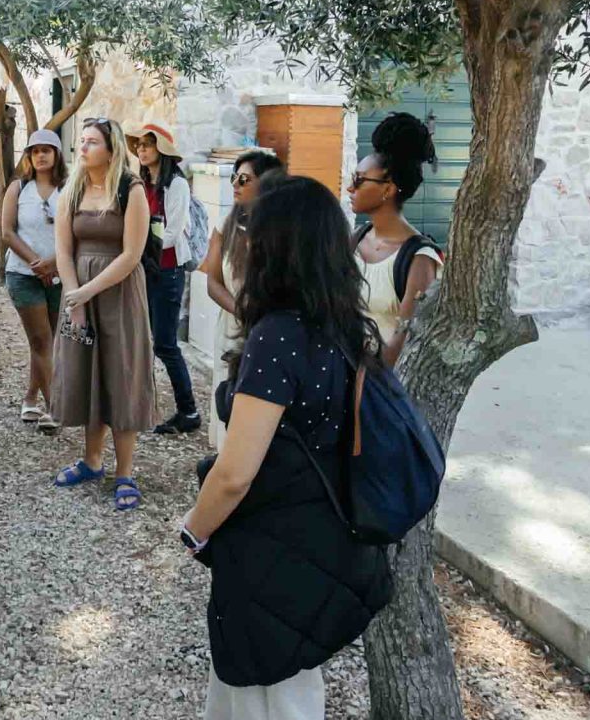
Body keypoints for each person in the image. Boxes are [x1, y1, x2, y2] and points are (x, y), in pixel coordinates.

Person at [179, 175, 395, 717]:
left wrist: (192, 530)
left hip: (273, 537)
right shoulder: (342, 325)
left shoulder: (277, 335)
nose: (244, 242)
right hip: (323, 531)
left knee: (258, 687)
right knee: (292, 686)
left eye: (253, 231)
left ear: (279, 246)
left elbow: (235, 473)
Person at [49, 117, 157, 512]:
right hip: (78, 296)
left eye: (92, 142)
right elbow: (63, 251)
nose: (83, 148)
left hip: (120, 295)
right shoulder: (72, 189)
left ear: (111, 151)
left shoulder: (132, 190)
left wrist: (87, 292)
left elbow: (132, 255)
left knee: (121, 373)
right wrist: (74, 300)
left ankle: (124, 471)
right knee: (84, 369)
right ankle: (92, 461)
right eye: (82, 141)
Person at [349, 112, 443, 367]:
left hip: (377, 387)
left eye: (358, 180)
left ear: (388, 189)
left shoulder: (418, 259)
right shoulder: (356, 240)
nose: (350, 188)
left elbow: (404, 343)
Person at [127, 123, 201, 435]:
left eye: (148, 145)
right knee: (144, 339)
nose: (142, 150)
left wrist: (139, 247)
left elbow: (172, 232)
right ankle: (141, 405)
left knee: (166, 344)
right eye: (139, 145)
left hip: (166, 270)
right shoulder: (141, 183)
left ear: (162, 151)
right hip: (144, 267)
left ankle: (189, 411)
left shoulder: (177, 185)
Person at [0, 128, 65, 433]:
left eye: (46, 150)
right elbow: (7, 232)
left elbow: (75, 231)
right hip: (23, 275)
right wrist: (36, 263)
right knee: (41, 340)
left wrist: (53, 264)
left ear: (57, 155)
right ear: (28, 155)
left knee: (49, 342)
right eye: (34, 150)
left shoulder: (69, 189)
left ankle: (30, 397)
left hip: (61, 276)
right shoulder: (18, 188)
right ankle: (54, 408)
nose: (40, 155)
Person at [198, 149, 285, 335]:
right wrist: (242, 314)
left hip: (271, 333)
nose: (235, 184)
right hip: (231, 330)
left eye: (244, 179)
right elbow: (213, 283)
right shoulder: (226, 226)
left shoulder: (285, 233)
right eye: (234, 177)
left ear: (266, 184)